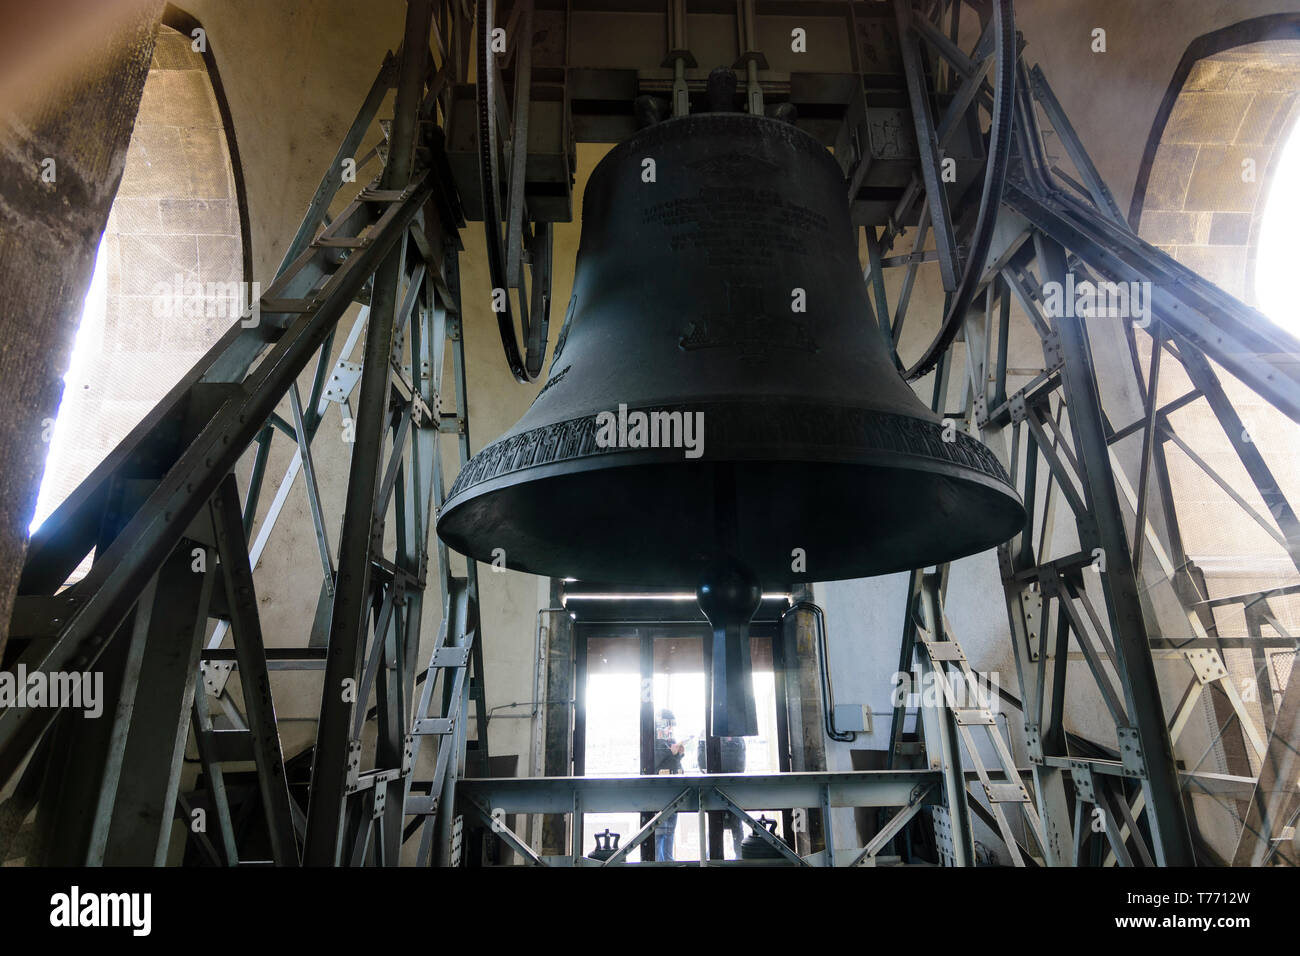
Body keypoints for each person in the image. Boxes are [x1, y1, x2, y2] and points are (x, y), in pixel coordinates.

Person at [697, 735, 748, 857]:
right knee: (718, 826)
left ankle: (735, 858)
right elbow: (702, 763)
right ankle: (716, 858)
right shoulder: (736, 738)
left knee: (732, 826)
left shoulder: (737, 738)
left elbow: (740, 766)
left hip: (728, 789)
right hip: (724, 789)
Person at [653, 709, 684, 860]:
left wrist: (679, 754)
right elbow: (653, 764)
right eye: (667, 725)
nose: (670, 729)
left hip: (674, 792)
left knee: (670, 832)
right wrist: (670, 753)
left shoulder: (670, 741)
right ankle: (660, 862)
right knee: (660, 833)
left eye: (672, 725)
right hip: (659, 793)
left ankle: (668, 861)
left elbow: (673, 765)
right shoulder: (651, 741)